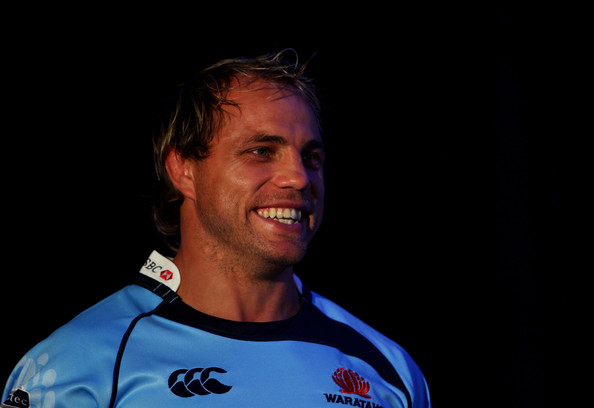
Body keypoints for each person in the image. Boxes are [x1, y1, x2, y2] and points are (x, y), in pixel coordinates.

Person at [2, 50, 431, 408]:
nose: (299, 178)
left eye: (311, 157)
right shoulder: (77, 365)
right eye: (262, 151)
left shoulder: (388, 369)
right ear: (183, 170)